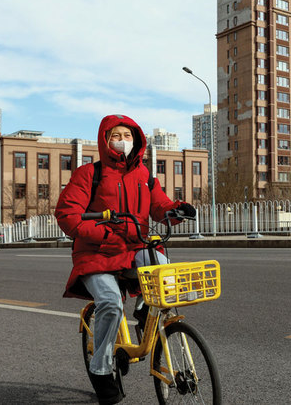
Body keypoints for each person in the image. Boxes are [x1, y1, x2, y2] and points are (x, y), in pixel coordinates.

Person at [55, 114, 196, 405]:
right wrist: (104, 234)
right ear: (105, 140)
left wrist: (177, 210)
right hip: (96, 252)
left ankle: (145, 310)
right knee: (110, 302)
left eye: (128, 136)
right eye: (116, 136)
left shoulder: (144, 175)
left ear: (136, 140)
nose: (122, 141)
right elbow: (67, 215)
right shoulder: (88, 174)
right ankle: (100, 368)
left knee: (162, 268)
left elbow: (159, 206)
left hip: (133, 247)